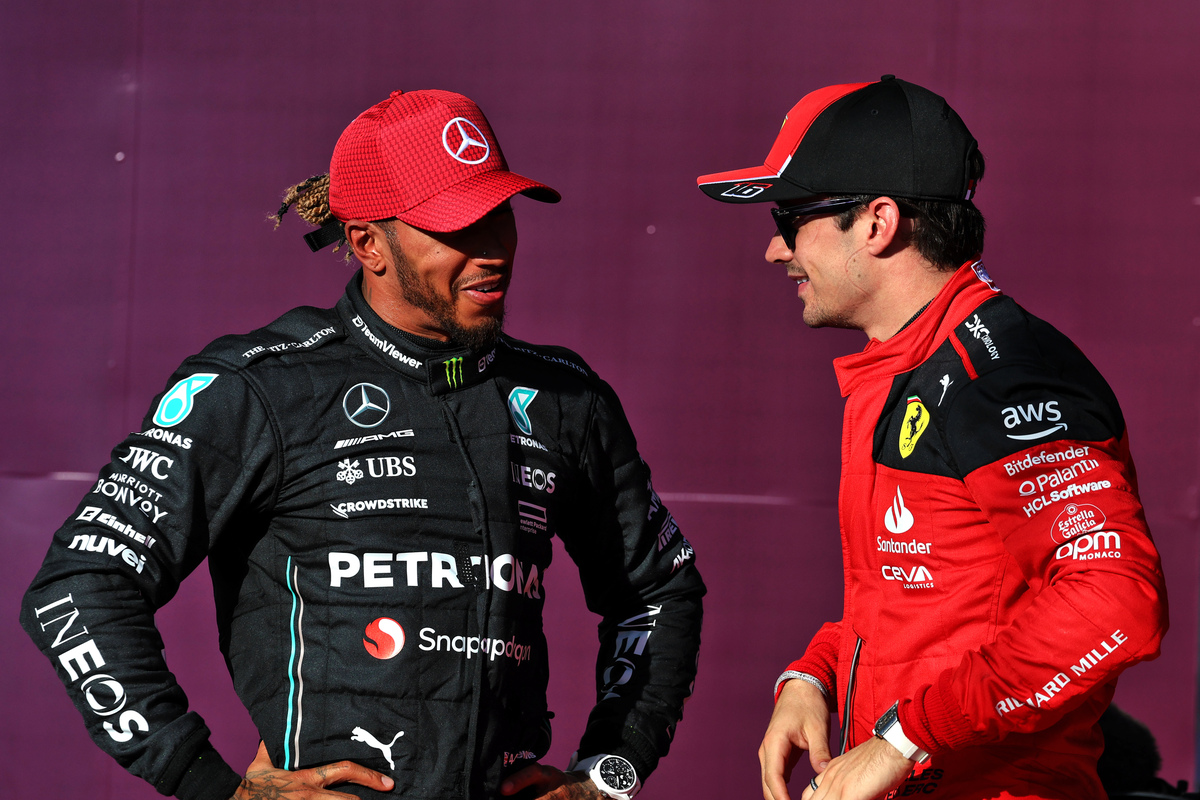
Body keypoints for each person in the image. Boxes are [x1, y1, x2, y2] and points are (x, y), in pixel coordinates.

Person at [22, 89, 704, 800]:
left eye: (497, 213)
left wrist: (610, 775)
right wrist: (206, 784)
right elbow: (79, 586)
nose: (492, 249)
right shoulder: (259, 388)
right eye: (454, 226)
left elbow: (659, 590)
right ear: (367, 243)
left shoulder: (569, 398)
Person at [696, 75, 1167, 799]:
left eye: (791, 218)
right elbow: (924, 603)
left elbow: (1114, 601)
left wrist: (904, 739)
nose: (773, 250)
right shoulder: (906, 364)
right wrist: (814, 675)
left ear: (879, 222)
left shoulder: (1002, 371)